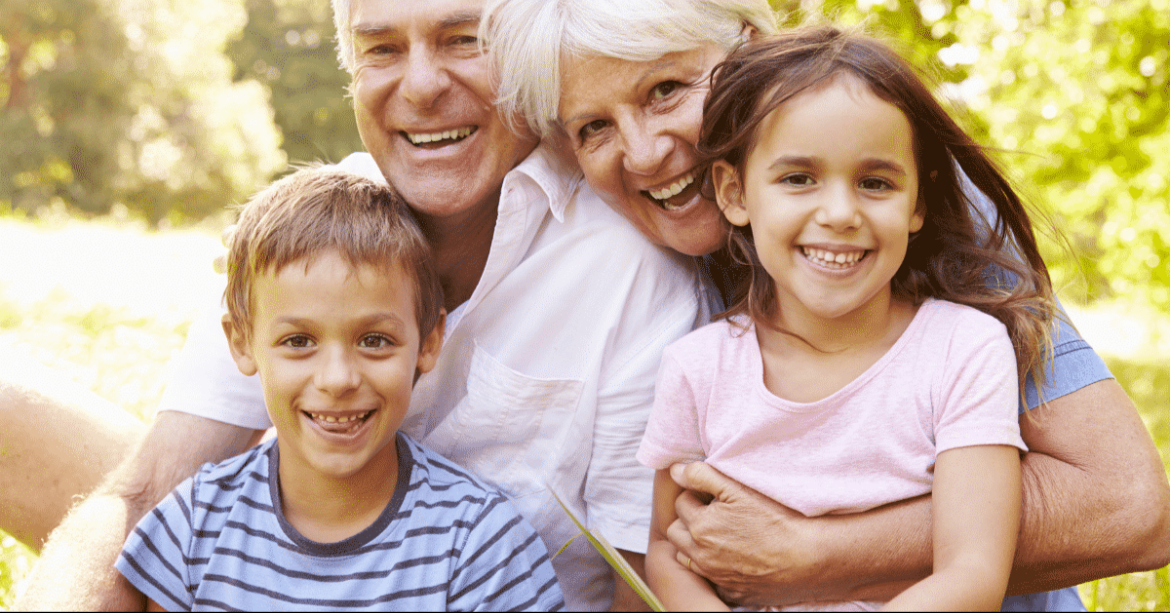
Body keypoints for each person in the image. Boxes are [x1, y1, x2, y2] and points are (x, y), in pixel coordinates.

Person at [14, 0, 709, 610]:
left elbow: (639, 590)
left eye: (464, 39)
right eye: (381, 49)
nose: (422, 85)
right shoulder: (303, 237)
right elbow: (144, 491)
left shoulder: (626, 267)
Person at [481, 0, 1170, 610]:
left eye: (666, 90)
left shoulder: (886, 209)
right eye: (593, 127)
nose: (643, 153)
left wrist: (815, 553)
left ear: (752, 50)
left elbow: (1129, 507)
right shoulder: (640, 274)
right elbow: (665, 549)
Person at [637, 26, 1063, 611]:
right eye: (798, 179)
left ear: (916, 204)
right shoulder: (698, 367)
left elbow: (973, 573)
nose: (840, 213)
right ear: (734, 193)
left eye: (874, 183)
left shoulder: (962, 350)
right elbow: (667, 548)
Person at [114, 167, 565, 611]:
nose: (337, 379)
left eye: (374, 341)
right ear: (241, 342)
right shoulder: (193, 529)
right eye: (298, 341)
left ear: (429, 341)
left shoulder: (481, 548)